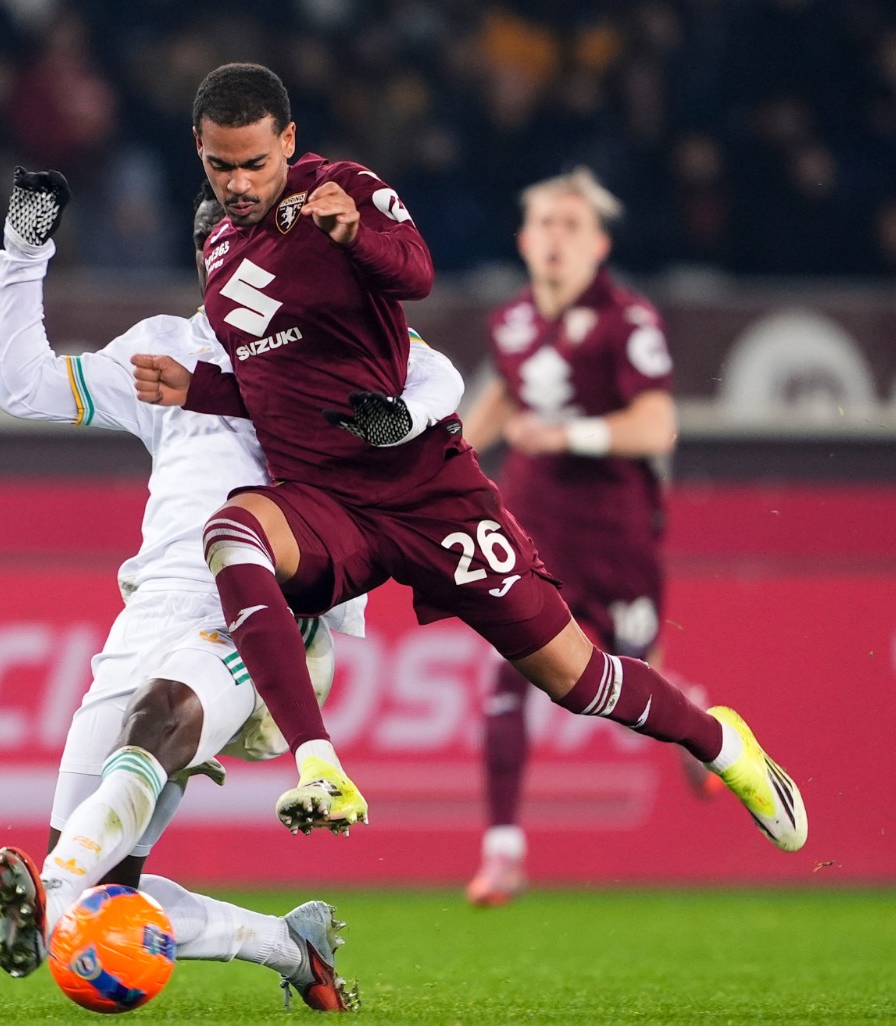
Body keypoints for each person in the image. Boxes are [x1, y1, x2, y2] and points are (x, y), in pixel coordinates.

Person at [130, 63, 807, 855]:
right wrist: (201, 388)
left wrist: (354, 236)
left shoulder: (342, 190)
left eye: (254, 162)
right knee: (232, 532)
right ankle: (321, 767)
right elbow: (276, 383)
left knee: (576, 677)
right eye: (222, 165)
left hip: (426, 489)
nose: (239, 183)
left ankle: (722, 744)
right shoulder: (216, 246)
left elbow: (416, 272)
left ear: (288, 140)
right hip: (327, 503)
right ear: (198, 148)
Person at [0, 169, 466, 1009]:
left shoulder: (340, 341)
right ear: (207, 258)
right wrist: (25, 249)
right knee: (104, 900)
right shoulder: (166, 347)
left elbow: (440, 376)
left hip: (263, 609)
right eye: (226, 245)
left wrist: (402, 420)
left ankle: (52, 882)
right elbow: (23, 385)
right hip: (149, 611)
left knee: (153, 729)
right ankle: (288, 944)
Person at [460, 167, 689, 905]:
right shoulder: (511, 322)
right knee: (507, 678)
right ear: (524, 241)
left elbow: (657, 425)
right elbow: (501, 398)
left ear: (600, 246)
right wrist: (438, 459)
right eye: (545, 226)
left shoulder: (629, 321)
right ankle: (503, 851)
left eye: (572, 226)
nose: (556, 239)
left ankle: (696, 720)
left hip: (614, 533)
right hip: (531, 527)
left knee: (636, 686)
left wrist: (567, 435)